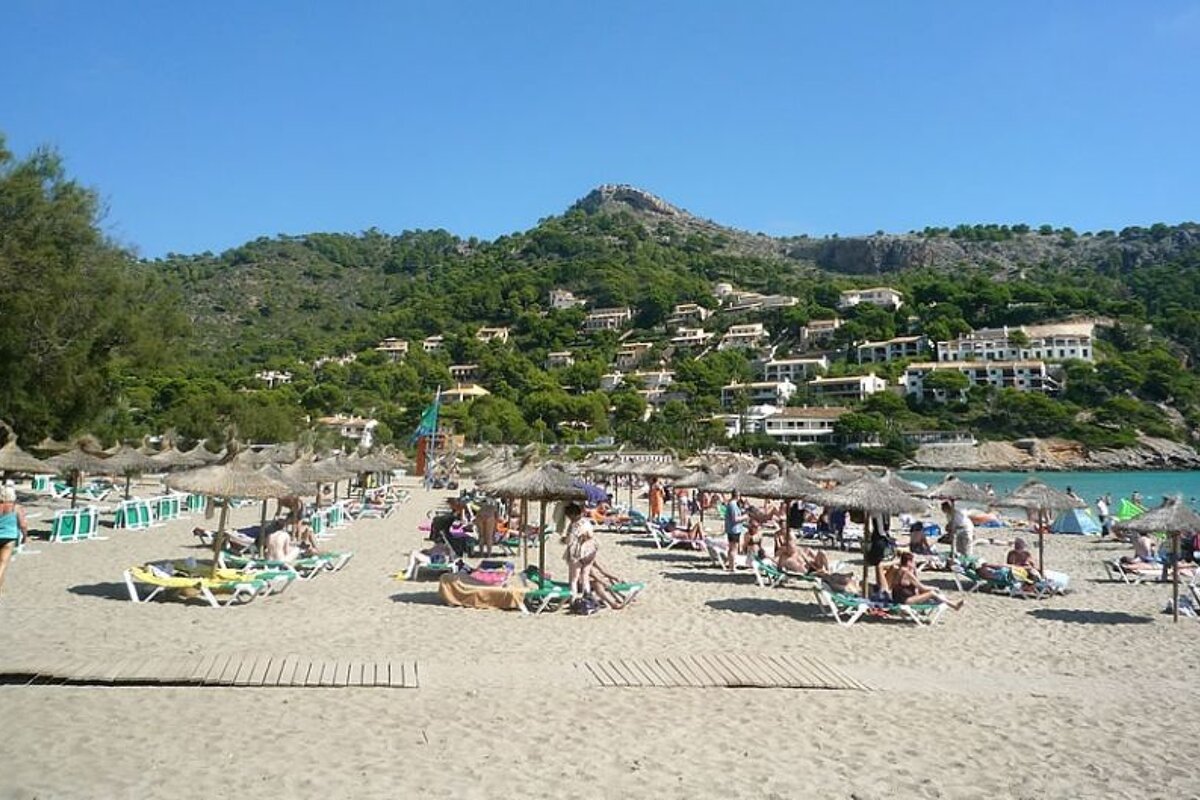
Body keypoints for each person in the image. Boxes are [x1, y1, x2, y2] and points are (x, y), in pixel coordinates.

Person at [888, 552, 965, 610]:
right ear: (909, 562)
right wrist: (934, 588)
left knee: (930, 592)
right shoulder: (907, 573)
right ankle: (953, 605)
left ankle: (950, 601)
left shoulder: (898, 570)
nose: (915, 563)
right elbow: (922, 587)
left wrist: (914, 570)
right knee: (932, 593)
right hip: (905, 600)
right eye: (914, 562)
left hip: (897, 598)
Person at [562, 502, 597, 598]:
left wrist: (564, 540)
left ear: (572, 515)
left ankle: (573, 599)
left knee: (574, 579)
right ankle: (587, 596)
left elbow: (569, 540)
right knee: (585, 576)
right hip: (589, 551)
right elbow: (590, 535)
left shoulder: (573, 525)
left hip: (577, 553)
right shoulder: (586, 522)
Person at [0, 485, 29, 594]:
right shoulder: (16, 508)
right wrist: (25, 537)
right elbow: (23, 525)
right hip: (9, 537)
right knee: (2, 564)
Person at [723, 490, 749, 572]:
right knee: (733, 548)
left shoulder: (732, 504)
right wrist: (745, 517)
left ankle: (731, 565)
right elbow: (735, 519)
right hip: (734, 530)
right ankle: (732, 567)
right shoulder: (733, 505)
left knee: (732, 548)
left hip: (732, 529)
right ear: (737, 496)